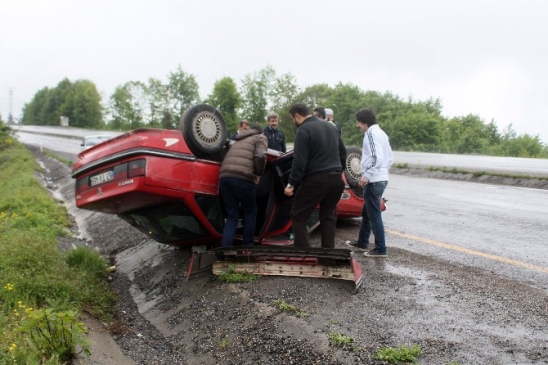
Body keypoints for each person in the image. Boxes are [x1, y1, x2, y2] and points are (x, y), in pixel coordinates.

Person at [284, 103, 347, 249]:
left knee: (298, 215)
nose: (294, 122)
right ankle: (328, 256)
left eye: (292, 119)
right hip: (337, 179)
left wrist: (291, 184)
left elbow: (299, 162)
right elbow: (343, 153)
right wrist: (337, 172)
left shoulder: (303, 130)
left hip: (316, 180)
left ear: (297, 116)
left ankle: (304, 254)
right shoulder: (331, 127)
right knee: (328, 217)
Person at [345, 108, 393, 257]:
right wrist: (382, 172)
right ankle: (362, 242)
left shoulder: (371, 134)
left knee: (374, 216)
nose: (357, 125)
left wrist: (367, 176)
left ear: (364, 122)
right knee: (366, 212)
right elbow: (389, 158)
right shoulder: (382, 133)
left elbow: (376, 158)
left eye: (358, 122)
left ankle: (380, 249)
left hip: (373, 180)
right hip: (381, 178)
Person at [219, 123, 268, 247]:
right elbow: (261, 155)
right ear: (261, 132)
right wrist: (258, 174)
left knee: (232, 215)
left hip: (224, 177)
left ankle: (225, 249)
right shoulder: (260, 137)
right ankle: (248, 247)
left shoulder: (238, 139)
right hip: (242, 178)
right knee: (250, 212)